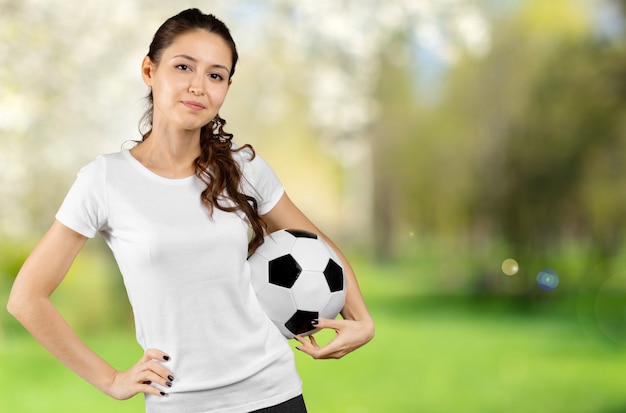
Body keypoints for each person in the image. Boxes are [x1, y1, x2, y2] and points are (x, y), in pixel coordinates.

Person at [7, 8, 374, 413]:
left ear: (226, 88)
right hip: (179, 404)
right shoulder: (105, 180)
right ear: (149, 70)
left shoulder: (244, 168)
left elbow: (319, 246)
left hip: (274, 394)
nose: (198, 86)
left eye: (215, 75)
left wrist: (362, 320)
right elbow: (26, 298)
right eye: (184, 67)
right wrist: (110, 379)